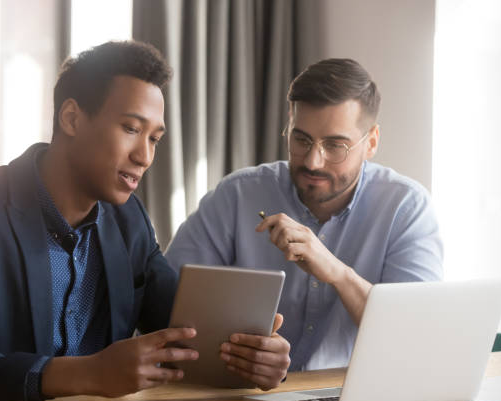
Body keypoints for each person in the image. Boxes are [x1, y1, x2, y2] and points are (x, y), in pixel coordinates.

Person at [0, 41, 290, 401]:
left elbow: (186, 336)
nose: (145, 157)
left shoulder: (129, 219)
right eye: (132, 129)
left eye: (154, 138)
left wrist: (250, 357)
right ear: (71, 118)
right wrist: (84, 373)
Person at [165, 58, 443, 372]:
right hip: (241, 395)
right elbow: (166, 305)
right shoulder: (237, 195)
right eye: (301, 139)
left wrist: (338, 274)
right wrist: (245, 354)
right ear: (288, 125)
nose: (313, 161)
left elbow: (417, 335)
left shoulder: (406, 208)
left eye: (335, 145)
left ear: (372, 142)